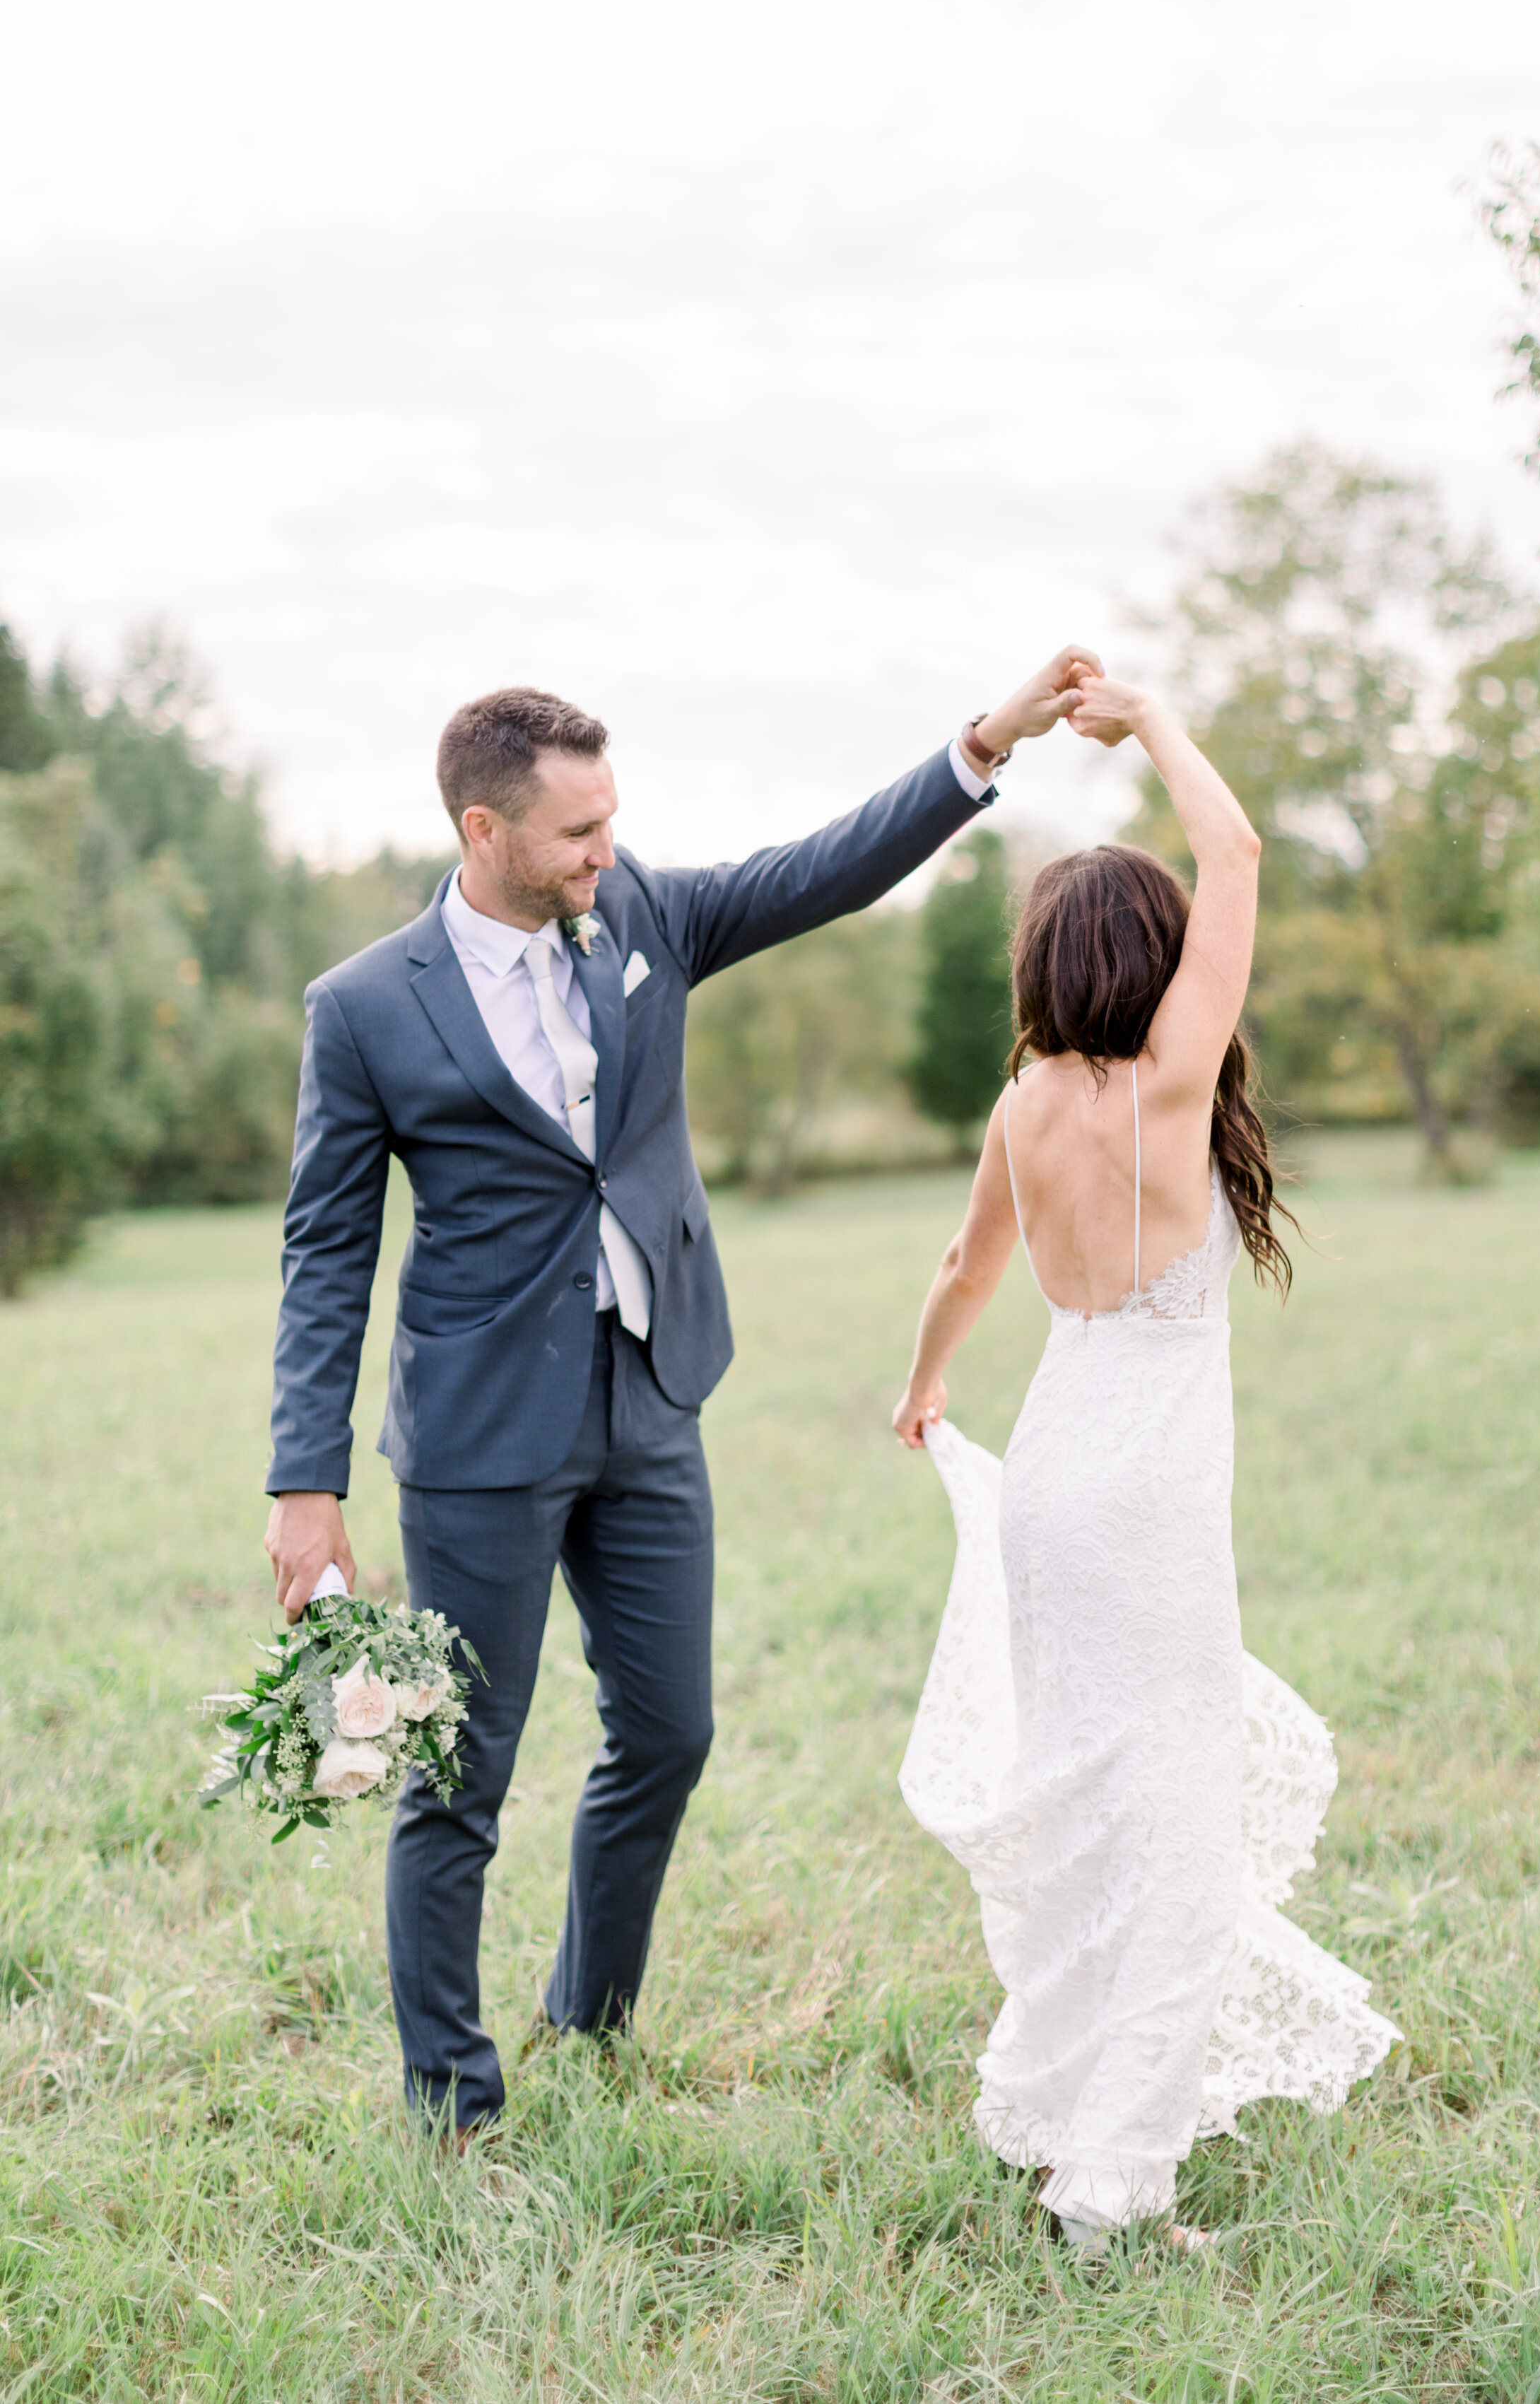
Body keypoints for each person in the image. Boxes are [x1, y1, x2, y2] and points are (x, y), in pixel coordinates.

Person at [262, 655, 1098, 2137]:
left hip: (650, 1401)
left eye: (612, 820)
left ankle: (587, 2016)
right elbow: (326, 1250)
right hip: (475, 1442)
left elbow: (818, 873)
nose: (605, 850)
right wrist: (303, 1483)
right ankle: (451, 2101)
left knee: (668, 1731)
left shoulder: (637, 912)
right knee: (457, 1771)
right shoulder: (366, 1010)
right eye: (576, 830)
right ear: (482, 832)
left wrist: (981, 746)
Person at [892, 672, 1401, 2253]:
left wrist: (922, 1390)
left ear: (1044, 966)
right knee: (1169, 1839)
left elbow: (965, 1273)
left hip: (1053, 1476)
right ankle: (1108, 2190)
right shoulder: (1168, 1088)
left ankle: (1070, 2117)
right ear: (1159, 964)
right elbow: (1234, 852)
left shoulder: (1021, 1103)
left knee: (1091, 1807)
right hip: (1153, 1503)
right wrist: (1154, 723)